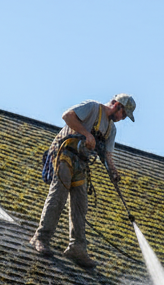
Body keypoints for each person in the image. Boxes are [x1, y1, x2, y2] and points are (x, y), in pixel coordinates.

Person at [30, 94, 136, 268]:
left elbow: (107, 155)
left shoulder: (111, 129)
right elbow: (67, 116)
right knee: (59, 196)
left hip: (81, 162)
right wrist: (87, 134)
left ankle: (77, 248)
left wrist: (114, 172)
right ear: (117, 105)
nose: (122, 119)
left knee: (81, 203)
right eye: (123, 114)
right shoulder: (93, 108)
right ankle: (40, 238)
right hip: (63, 153)